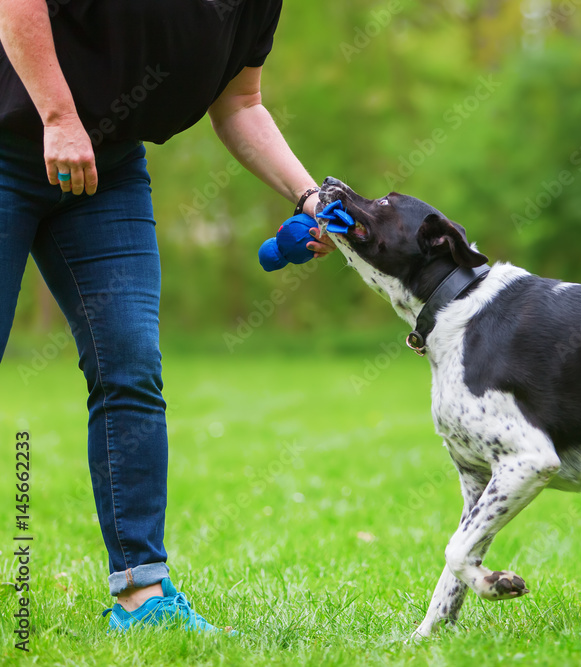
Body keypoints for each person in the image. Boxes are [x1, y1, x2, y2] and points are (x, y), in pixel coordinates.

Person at [0, 0, 337, 632]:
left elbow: (240, 105)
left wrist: (310, 196)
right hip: (11, 139)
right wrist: (57, 114)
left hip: (106, 166)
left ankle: (141, 595)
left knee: (130, 364)